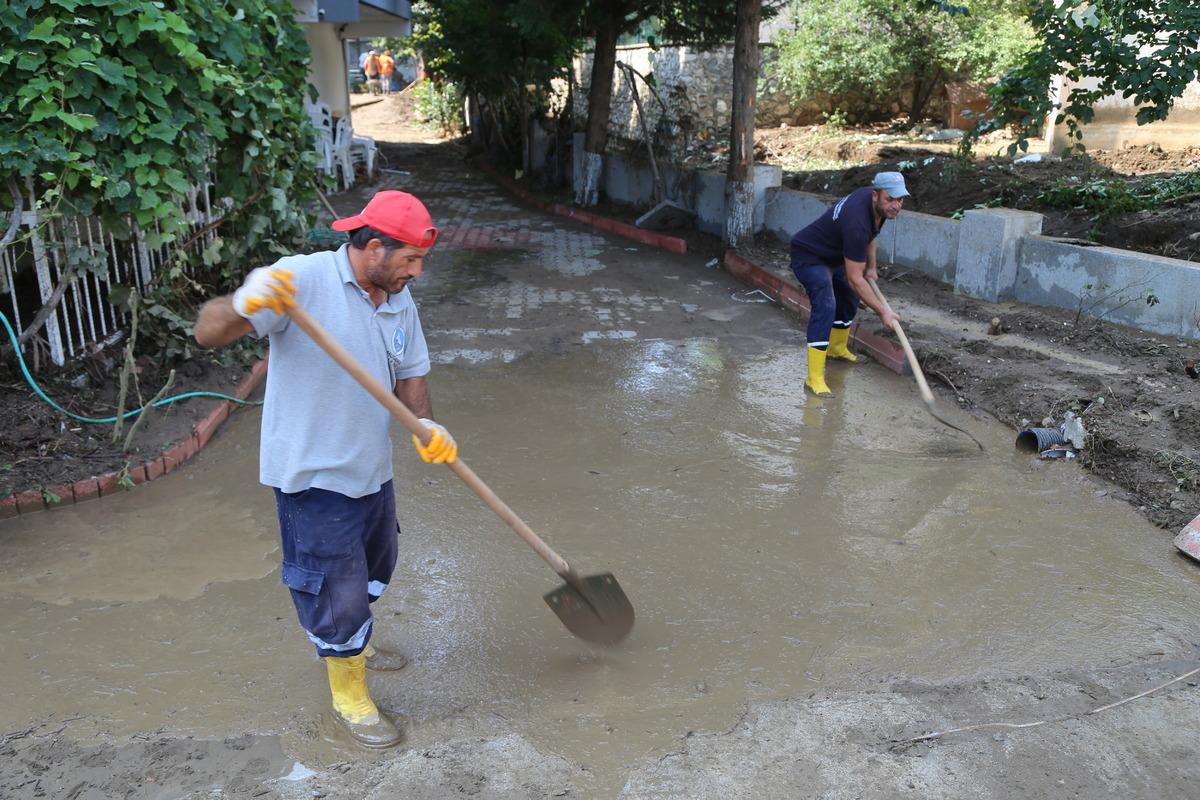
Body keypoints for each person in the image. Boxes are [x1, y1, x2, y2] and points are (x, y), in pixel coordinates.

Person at [193, 191, 455, 749]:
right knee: (334, 589)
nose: (418, 271)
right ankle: (349, 692)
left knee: (375, 566)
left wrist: (427, 429)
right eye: (411, 259)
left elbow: (410, 374)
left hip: (371, 470)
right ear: (375, 247)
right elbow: (208, 331)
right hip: (312, 476)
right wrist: (244, 303)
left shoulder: (396, 295)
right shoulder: (299, 280)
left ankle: (354, 642)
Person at [789, 171, 907, 396]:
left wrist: (871, 267)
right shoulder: (856, 221)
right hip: (810, 255)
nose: (896, 205)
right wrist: (883, 311)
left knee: (849, 298)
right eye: (890, 199)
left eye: (900, 199)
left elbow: (871, 235)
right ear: (876, 195)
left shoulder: (875, 206)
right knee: (826, 305)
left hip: (835, 254)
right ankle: (814, 378)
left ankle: (836, 349)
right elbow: (855, 279)